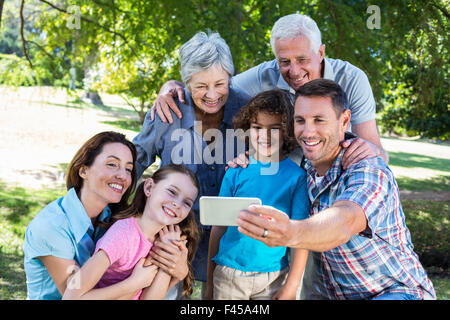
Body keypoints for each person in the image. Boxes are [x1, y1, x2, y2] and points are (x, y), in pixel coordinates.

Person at [237, 79, 436, 300]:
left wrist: (292, 232)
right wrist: (250, 160)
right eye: (300, 120)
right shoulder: (304, 167)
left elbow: (346, 219)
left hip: (396, 292)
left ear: (345, 121)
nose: (308, 131)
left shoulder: (368, 169)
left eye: (319, 120)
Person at [151, 13, 388, 168]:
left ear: (321, 53)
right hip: (282, 177)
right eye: (284, 61)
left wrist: (371, 153)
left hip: (334, 175)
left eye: (302, 59)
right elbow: (215, 84)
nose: (293, 71)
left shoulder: (352, 79)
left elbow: (375, 153)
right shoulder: (264, 76)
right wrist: (174, 86)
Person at [132, 31, 251, 296]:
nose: (212, 95)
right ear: (186, 82)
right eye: (200, 86)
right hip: (171, 237)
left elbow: (272, 152)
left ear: (230, 78)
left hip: (231, 242)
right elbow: (136, 161)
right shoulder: (167, 110)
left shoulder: (248, 110)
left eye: (220, 84)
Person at [206, 90, 310, 300]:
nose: (264, 135)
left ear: (289, 132)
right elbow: (218, 228)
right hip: (229, 274)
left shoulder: (297, 178)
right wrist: (209, 283)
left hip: (274, 277)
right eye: (257, 128)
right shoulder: (236, 170)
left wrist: (291, 286)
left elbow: (301, 236)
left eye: (275, 129)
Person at [62, 164, 200, 300]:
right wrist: (133, 284)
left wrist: (168, 256)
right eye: (172, 192)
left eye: (187, 203)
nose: (177, 204)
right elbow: (71, 297)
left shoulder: (165, 239)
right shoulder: (123, 235)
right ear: (149, 187)